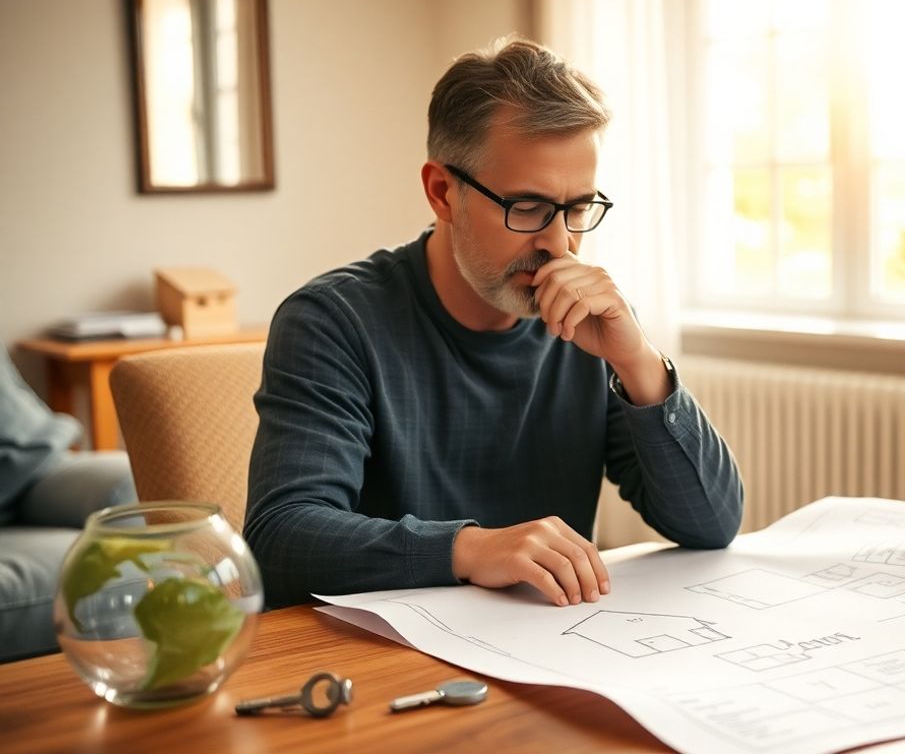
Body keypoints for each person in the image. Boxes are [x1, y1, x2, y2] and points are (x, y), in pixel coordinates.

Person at [244, 37, 744, 610]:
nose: (560, 243)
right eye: (526, 207)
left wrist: (640, 363)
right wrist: (469, 549)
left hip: (546, 642)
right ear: (442, 193)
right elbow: (281, 540)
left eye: (578, 208)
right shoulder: (333, 322)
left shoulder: (588, 320)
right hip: (381, 653)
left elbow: (712, 526)